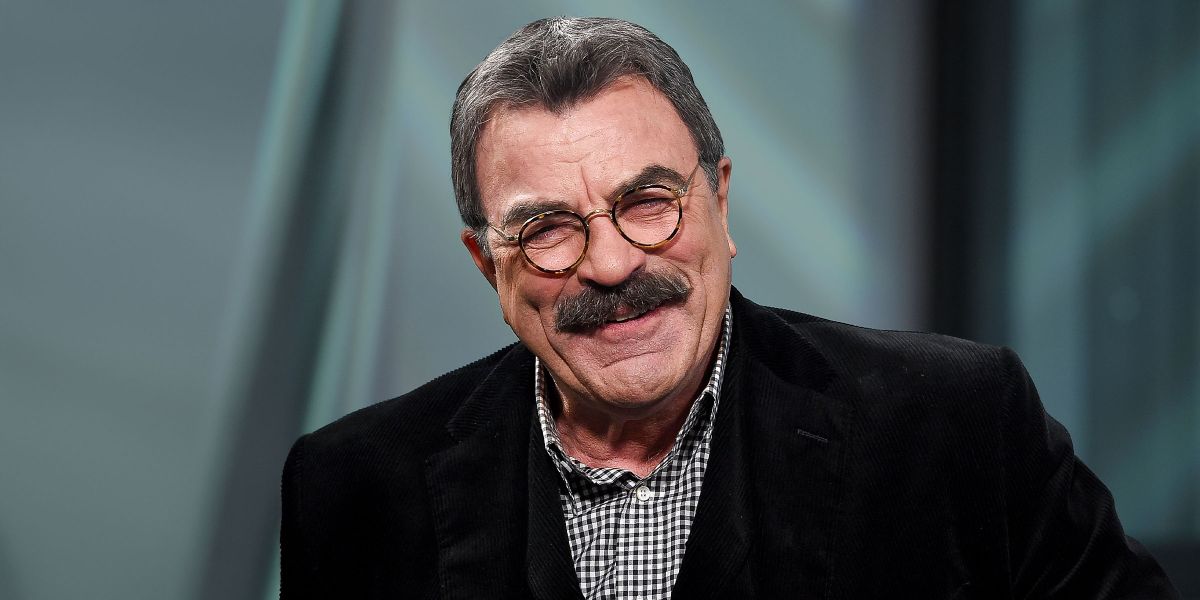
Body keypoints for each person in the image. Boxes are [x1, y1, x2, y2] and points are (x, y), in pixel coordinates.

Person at [279, 17, 1178, 599]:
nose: (611, 264)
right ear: (488, 266)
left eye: (648, 202)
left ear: (720, 201)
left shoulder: (957, 423)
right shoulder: (355, 488)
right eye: (547, 228)